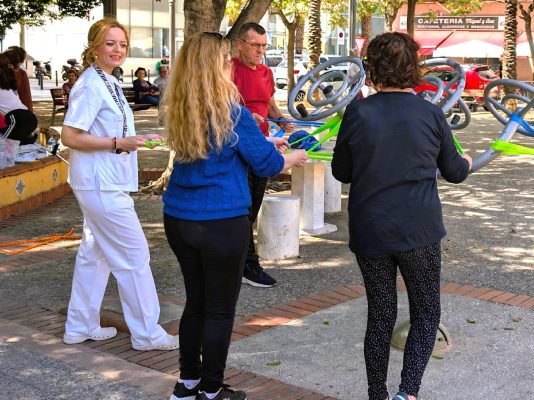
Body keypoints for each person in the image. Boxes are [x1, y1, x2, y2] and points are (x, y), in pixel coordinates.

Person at [162, 32, 307, 400]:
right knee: (220, 310)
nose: (231, 65)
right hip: (221, 221)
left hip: (179, 218)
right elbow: (268, 164)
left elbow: (223, 146)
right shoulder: (233, 111)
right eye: (226, 60)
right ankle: (212, 390)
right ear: (217, 66)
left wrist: (266, 141)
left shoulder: (180, 106)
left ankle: (187, 384)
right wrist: (293, 156)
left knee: (196, 302)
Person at [332, 32, 472, 400]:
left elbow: (341, 172)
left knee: (380, 315)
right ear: (413, 68)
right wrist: (468, 160)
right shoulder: (430, 112)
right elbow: (456, 171)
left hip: (371, 229)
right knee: (426, 313)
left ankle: (376, 393)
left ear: (372, 68)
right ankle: (407, 393)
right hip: (418, 231)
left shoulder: (357, 112)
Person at [59, 17, 179, 352]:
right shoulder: (90, 84)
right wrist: (117, 143)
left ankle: (79, 326)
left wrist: (137, 140)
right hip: (100, 184)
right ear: (94, 46)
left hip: (104, 182)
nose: (118, 50)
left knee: (94, 256)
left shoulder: (107, 80)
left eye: (123, 44)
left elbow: (109, 131)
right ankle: (147, 334)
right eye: (110, 43)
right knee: (134, 255)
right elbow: (71, 136)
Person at [231, 22, 292, 288]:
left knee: (252, 207)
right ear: (240, 44)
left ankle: (240, 263)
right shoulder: (230, 68)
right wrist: (246, 116)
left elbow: (270, 105)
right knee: (242, 208)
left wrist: (282, 120)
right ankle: (248, 266)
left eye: (264, 46)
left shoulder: (266, 72)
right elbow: (222, 105)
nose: (260, 51)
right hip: (237, 146)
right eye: (255, 45)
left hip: (263, 145)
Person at [0, 52, 39, 145]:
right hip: (28, 117)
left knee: (4, 144)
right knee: (15, 146)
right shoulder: (7, 84)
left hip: (17, 119)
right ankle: (25, 141)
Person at [4, 46, 32, 111]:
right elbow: (26, 97)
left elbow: (25, 96)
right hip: (15, 113)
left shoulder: (21, 73)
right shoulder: (21, 73)